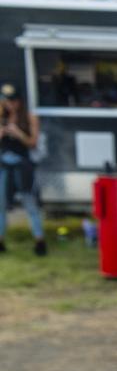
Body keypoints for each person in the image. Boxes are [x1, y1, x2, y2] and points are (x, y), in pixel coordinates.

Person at [0, 83, 45, 256]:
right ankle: (1, 241)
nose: (9, 104)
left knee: (29, 203)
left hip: (23, 165)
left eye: (12, 101)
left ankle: (39, 241)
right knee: (1, 204)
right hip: (3, 165)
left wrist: (17, 132)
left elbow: (33, 143)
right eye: (6, 101)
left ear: (19, 101)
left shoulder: (29, 117)